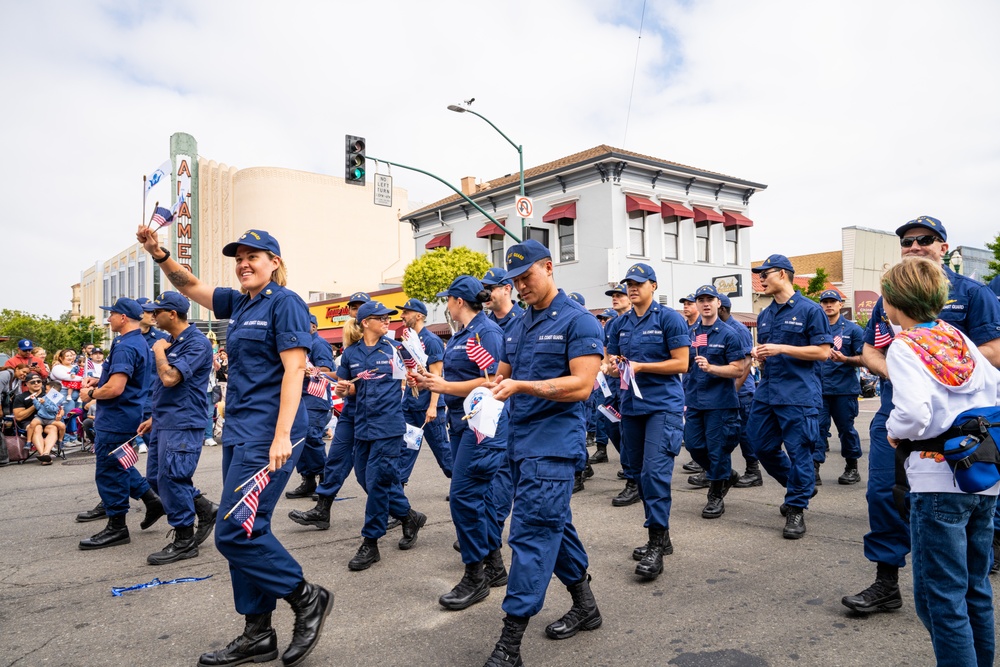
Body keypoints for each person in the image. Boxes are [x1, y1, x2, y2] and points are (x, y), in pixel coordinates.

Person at [137, 226, 331, 667]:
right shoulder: (239, 302)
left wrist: (282, 434)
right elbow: (188, 285)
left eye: (254, 256)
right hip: (241, 432)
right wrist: (160, 253)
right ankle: (258, 634)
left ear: (275, 262)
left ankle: (307, 598)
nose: (244, 263)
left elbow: (295, 372)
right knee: (247, 528)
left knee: (232, 531)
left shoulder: (286, 303)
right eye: (238, 257)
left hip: (269, 435)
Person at [844, 216, 1000, 614]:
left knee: (959, 499)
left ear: (943, 246)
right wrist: (908, 371)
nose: (914, 246)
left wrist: (930, 375)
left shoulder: (973, 293)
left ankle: (960, 591)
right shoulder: (888, 297)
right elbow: (872, 350)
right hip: (899, 412)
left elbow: (994, 352)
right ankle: (886, 581)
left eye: (924, 239)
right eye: (907, 242)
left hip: (958, 425)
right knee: (884, 494)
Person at [480, 239, 605, 667]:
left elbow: (583, 385)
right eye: (514, 281)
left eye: (527, 277)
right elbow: (502, 375)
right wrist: (471, 393)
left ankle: (509, 643)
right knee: (555, 526)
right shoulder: (516, 325)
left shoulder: (580, 322)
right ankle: (585, 605)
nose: (521, 286)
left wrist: (521, 387)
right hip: (518, 443)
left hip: (553, 447)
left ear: (549, 268)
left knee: (531, 533)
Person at [880, 257, 999, 666]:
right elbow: (995, 389)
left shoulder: (906, 345)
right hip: (982, 477)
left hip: (936, 480)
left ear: (893, 301)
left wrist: (895, 429)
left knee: (940, 599)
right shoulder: (958, 338)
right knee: (974, 588)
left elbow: (915, 414)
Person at [412, 275, 508, 610]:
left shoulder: (485, 333)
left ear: (459, 302)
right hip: (463, 423)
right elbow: (459, 378)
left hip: (481, 425)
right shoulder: (465, 333)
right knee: (473, 498)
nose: (446, 305)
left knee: (464, 497)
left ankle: (475, 576)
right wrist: (431, 381)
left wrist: (443, 387)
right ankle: (493, 566)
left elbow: (491, 382)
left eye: (448, 299)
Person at [605, 263, 690, 579]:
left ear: (653, 285)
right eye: (629, 283)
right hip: (631, 407)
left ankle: (655, 544)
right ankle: (662, 536)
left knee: (654, 474)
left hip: (662, 407)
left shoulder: (668, 318)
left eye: (639, 283)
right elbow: (612, 360)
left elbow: (682, 363)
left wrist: (642, 367)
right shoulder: (620, 323)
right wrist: (613, 368)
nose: (632, 288)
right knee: (638, 475)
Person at [333, 301, 427, 571]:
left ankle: (370, 542)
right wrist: (343, 390)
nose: (387, 321)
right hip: (361, 426)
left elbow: (416, 374)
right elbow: (348, 390)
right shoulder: (350, 354)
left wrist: (413, 379)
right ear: (365, 322)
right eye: (380, 318)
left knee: (376, 483)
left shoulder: (396, 350)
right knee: (365, 478)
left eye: (388, 318)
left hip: (388, 427)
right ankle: (409, 516)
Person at [748, 254, 832, 539]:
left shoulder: (811, 310)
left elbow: (822, 352)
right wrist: (759, 355)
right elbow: (767, 350)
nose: (761, 278)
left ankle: (796, 507)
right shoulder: (765, 313)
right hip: (768, 391)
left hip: (798, 394)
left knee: (800, 453)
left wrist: (781, 348)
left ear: (782, 274)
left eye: (765, 273)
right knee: (760, 446)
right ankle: (801, 486)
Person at [137, 291, 219, 565]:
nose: (151, 316)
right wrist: (154, 417)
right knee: (157, 480)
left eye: (156, 311)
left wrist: (160, 351)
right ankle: (205, 509)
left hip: (183, 421)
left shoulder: (196, 343)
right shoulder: (172, 341)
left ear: (172, 314)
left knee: (173, 478)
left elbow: (170, 378)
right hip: (165, 420)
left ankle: (184, 540)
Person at [77, 298, 165, 550]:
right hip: (126, 415)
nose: (109, 319)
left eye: (112, 314)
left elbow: (116, 388)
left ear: (124, 317)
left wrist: (90, 395)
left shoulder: (127, 345)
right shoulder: (133, 341)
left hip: (116, 417)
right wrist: (98, 380)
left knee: (109, 470)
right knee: (120, 464)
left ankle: (117, 527)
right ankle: (152, 499)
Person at [288, 292, 371, 532]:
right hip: (349, 413)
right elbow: (340, 377)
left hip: (373, 416)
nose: (356, 312)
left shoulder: (387, 348)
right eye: (353, 308)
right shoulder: (352, 350)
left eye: (361, 308)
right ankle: (321, 509)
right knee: (335, 460)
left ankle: (404, 513)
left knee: (370, 471)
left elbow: (329, 373)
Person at [683, 285, 746, 519]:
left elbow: (738, 369)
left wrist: (712, 368)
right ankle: (725, 475)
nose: (706, 303)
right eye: (701, 300)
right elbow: (685, 364)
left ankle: (716, 494)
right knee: (693, 445)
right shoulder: (690, 333)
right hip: (695, 401)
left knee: (717, 450)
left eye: (710, 299)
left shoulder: (730, 334)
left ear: (719, 303)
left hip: (720, 403)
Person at [395, 297, 452, 485]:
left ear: (419, 315)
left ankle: (462, 484)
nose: (402, 316)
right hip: (410, 405)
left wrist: (433, 406)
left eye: (406, 312)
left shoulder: (432, 341)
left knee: (443, 451)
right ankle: (397, 492)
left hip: (428, 406)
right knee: (405, 448)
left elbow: (437, 376)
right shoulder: (407, 340)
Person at [815, 290, 865, 486]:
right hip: (818, 389)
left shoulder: (853, 330)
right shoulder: (815, 329)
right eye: (825, 302)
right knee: (816, 429)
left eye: (832, 302)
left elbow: (865, 358)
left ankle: (852, 467)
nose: (828, 305)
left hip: (844, 390)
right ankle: (814, 468)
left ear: (840, 304)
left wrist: (845, 359)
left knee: (846, 430)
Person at [285, 314, 335, 500]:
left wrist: (307, 371)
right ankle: (308, 480)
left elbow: (327, 370)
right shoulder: (300, 345)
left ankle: (324, 480)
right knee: (300, 439)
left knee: (312, 437)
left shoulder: (319, 344)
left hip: (316, 398)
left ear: (313, 326)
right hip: (301, 397)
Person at [717, 294, 761, 488]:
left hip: (740, 391)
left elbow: (746, 362)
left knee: (744, 433)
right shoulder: (717, 330)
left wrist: (734, 390)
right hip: (724, 391)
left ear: (722, 309)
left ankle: (753, 471)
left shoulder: (739, 330)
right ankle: (716, 470)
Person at [482, 267, 525, 331]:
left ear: (506, 289)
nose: (485, 294)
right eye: (483, 290)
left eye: (489, 289)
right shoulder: (484, 323)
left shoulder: (524, 320)